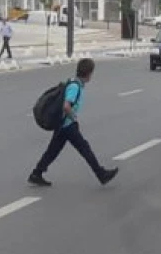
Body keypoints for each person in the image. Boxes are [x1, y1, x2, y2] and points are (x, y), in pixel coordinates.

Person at [29, 58, 119, 187]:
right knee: (85, 149)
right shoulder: (75, 87)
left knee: (52, 151)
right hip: (67, 126)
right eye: (91, 73)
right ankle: (101, 174)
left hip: (62, 125)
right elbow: (66, 106)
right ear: (88, 73)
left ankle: (36, 173)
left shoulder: (73, 83)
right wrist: (73, 118)